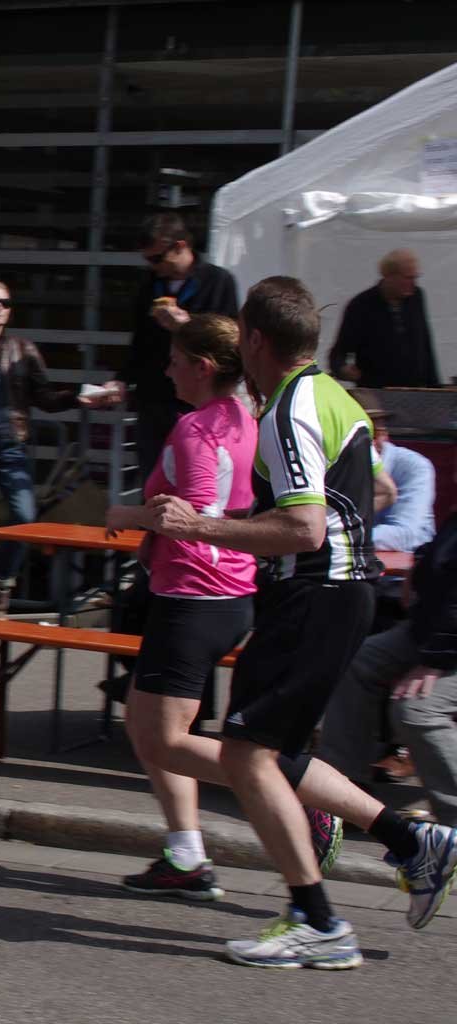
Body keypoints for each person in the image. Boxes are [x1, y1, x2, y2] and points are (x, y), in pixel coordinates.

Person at [147, 276, 455, 968]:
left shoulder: (287, 412)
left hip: (316, 592)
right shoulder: (335, 396)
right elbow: (376, 486)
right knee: (271, 747)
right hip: (341, 593)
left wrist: (200, 523)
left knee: (247, 754)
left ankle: (316, 919)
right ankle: (411, 843)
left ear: (255, 340)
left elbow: (305, 528)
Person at [105, 315, 271, 900]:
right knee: (148, 724)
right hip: (224, 594)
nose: (166, 368)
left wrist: (123, 516)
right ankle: (185, 854)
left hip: (195, 595)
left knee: (160, 737)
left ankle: (298, 794)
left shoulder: (198, 429)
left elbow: (188, 516)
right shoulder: (244, 420)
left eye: (175, 360)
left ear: (202, 368)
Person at [0, 280, 112, 618]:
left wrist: (77, 396)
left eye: (5, 303)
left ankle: (2, 582)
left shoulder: (23, 349)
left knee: (24, 515)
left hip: (11, 445)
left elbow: (46, 397)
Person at [320, 512, 457, 829]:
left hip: (445, 641)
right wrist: (422, 564)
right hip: (431, 630)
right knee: (355, 663)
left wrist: (435, 659)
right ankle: (342, 791)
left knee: (418, 709)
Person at [109, 212, 241, 481]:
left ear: (180, 246)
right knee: (153, 479)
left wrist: (187, 324)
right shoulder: (150, 286)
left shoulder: (218, 281)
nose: (153, 265)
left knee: (194, 475)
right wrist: (122, 379)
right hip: (154, 397)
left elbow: (229, 338)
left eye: (157, 258)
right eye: (147, 260)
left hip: (197, 399)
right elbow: (139, 340)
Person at [329, 249, 440, 390]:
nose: (413, 283)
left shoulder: (416, 297)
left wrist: (435, 387)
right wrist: (342, 370)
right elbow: (339, 351)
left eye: (415, 277)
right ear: (389, 276)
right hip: (377, 392)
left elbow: (425, 343)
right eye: (407, 278)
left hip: (415, 392)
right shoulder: (361, 305)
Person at [371, 411, 436, 553]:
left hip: (407, 565)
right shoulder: (332, 464)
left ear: (381, 435)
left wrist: (337, 539)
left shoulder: (413, 465)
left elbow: (404, 534)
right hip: (349, 558)